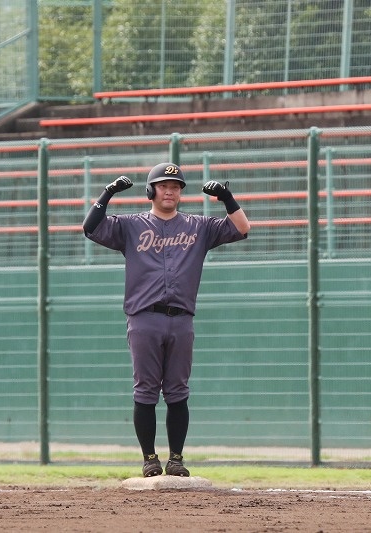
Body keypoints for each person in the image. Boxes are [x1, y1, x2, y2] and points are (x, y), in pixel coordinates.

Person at [82, 162, 250, 477]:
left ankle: (176, 459)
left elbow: (242, 228)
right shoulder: (131, 225)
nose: (169, 191)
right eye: (163, 186)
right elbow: (90, 227)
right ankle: (149, 459)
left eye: (175, 187)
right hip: (144, 318)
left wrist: (227, 198)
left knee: (177, 391)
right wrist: (108, 192)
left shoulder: (198, 226)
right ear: (151, 191)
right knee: (146, 390)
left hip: (181, 319)